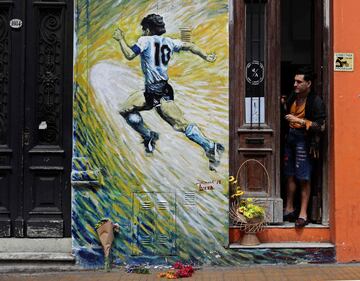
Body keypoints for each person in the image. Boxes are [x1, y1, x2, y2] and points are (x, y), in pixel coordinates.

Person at [113, 14, 224, 171]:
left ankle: (210, 146)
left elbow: (130, 54)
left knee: (180, 124)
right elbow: (190, 46)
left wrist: (120, 40)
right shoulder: (170, 42)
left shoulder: (145, 40)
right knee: (125, 108)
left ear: (148, 29)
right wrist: (205, 56)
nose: (142, 32)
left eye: (144, 29)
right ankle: (148, 135)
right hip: (153, 91)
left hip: (159, 93)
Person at [282, 66, 326, 228]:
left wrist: (300, 121)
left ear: (308, 83)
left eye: (299, 82)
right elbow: (286, 109)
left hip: (304, 140)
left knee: (303, 177)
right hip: (291, 138)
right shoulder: (294, 96)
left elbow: (321, 126)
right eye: (294, 81)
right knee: (290, 174)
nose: (295, 84)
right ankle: (289, 208)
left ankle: (303, 214)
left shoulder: (316, 101)